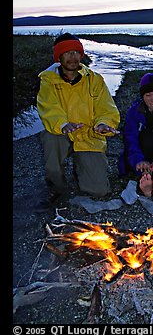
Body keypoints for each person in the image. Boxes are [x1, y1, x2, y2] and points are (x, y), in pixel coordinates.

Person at [36, 33, 120, 210]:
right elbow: (48, 108)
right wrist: (63, 124)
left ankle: (80, 168)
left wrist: (103, 124)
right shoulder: (48, 80)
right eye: (67, 52)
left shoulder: (95, 79)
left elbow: (106, 108)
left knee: (99, 191)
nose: (72, 57)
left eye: (76, 52)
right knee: (51, 138)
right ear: (59, 56)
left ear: (81, 55)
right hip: (62, 132)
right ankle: (55, 186)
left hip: (88, 134)